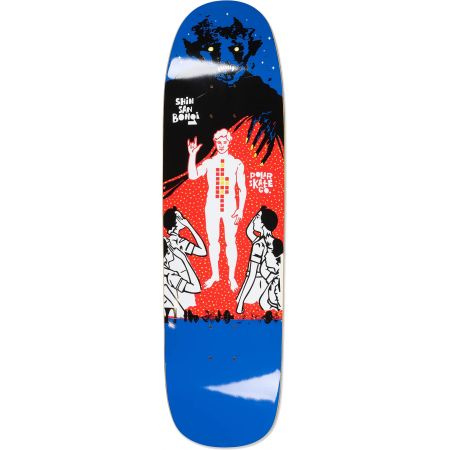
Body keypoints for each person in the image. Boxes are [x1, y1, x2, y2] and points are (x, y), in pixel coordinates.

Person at [187, 129, 246, 291]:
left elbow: (242, 188)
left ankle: (231, 277)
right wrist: (192, 155)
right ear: (215, 143)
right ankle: (215, 275)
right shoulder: (209, 163)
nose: (221, 145)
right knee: (213, 242)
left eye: (224, 142)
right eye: (219, 142)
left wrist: (240, 209)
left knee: (230, 241)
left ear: (229, 143)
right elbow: (192, 176)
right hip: (212, 207)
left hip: (230, 207)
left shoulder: (237, 163)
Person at [236, 206, 278, 314]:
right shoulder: (274, 242)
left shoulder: (259, 245)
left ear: (263, 224)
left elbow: (252, 275)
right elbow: (249, 231)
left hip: (256, 286)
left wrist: (240, 303)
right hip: (268, 284)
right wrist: (260, 212)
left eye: (257, 217)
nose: (254, 219)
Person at [163, 238, 201, 318]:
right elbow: (196, 288)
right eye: (170, 249)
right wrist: (184, 259)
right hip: (176, 317)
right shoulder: (170, 276)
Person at [259, 238, 283, 311]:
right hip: (271, 297)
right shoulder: (268, 258)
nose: (267, 252)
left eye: (270, 248)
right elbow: (263, 269)